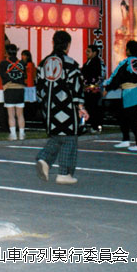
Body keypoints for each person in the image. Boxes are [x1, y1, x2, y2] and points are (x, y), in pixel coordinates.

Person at [35, 30, 88, 185]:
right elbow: (77, 87)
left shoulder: (43, 63)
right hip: (66, 107)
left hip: (49, 108)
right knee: (70, 138)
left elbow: (39, 88)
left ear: (53, 43)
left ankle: (44, 160)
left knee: (58, 136)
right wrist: (81, 107)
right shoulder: (70, 64)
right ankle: (64, 173)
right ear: (68, 45)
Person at [103, 40, 137, 151]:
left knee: (132, 119)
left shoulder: (126, 62)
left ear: (127, 50)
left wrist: (107, 88)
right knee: (127, 117)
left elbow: (116, 76)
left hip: (129, 93)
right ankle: (126, 140)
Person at [0, 44, 26, 140]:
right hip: (20, 90)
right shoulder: (22, 63)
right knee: (20, 114)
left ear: (7, 52)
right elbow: (24, 76)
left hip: (9, 89)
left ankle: (13, 134)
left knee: (11, 114)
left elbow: (2, 76)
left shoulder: (3, 64)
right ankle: (22, 134)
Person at [82, 45, 104, 133]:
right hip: (88, 89)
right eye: (86, 51)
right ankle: (90, 125)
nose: (86, 53)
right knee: (89, 108)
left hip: (93, 90)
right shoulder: (89, 62)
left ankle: (95, 127)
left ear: (94, 53)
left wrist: (89, 85)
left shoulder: (96, 62)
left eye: (88, 51)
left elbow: (96, 77)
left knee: (93, 108)